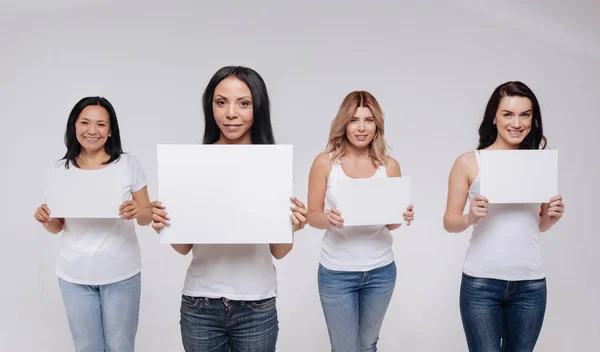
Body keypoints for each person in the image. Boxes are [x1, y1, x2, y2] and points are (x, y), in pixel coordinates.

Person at [151, 66, 308, 352]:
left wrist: (293, 227)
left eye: (243, 103)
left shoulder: (272, 164)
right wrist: (166, 224)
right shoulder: (194, 163)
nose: (231, 113)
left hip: (256, 302)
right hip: (200, 302)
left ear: (258, 107)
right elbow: (183, 247)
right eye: (221, 102)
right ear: (210, 106)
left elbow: (279, 251)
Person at [443, 81, 565, 352]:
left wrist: (552, 218)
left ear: (533, 120)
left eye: (525, 114)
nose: (517, 123)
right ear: (494, 117)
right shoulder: (469, 161)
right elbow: (449, 221)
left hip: (531, 283)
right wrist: (470, 217)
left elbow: (538, 224)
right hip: (481, 282)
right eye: (508, 114)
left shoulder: (540, 162)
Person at [34, 96, 152, 352]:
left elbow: (147, 217)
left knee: (120, 346)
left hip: (121, 272)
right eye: (85, 123)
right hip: (74, 274)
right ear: (74, 126)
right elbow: (57, 226)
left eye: (100, 124)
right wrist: (46, 218)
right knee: (86, 347)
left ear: (110, 131)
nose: (92, 131)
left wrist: (137, 210)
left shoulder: (128, 164)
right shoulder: (60, 169)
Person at [306, 90, 415, 351]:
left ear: (377, 124)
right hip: (336, 272)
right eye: (354, 120)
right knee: (345, 349)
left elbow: (392, 224)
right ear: (343, 123)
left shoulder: (389, 166)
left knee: (367, 346)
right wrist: (328, 218)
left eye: (368, 120)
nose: (361, 128)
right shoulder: (325, 163)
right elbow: (312, 216)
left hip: (380, 271)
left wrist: (402, 214)